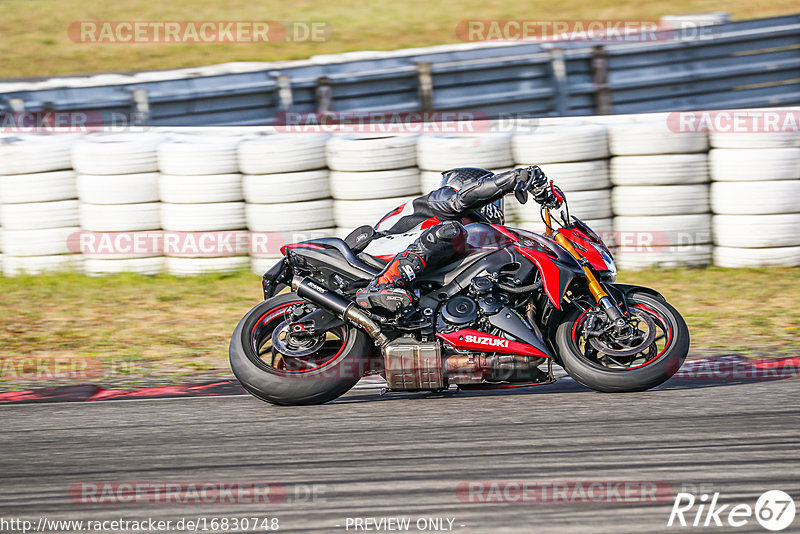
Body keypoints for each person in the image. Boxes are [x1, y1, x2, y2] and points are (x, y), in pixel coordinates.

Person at [353, 165, 561, 311]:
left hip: (410, 252)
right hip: (380, 249)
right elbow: (461, 201)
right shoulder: (443, 199)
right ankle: (385, 283)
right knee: (452, 231)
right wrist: (513, 179)